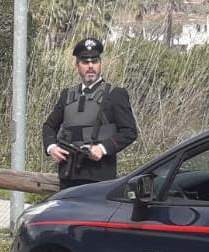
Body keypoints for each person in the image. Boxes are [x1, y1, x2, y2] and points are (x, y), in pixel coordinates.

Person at [41, 37, 138, 189]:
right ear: (77, 65)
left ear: (101, 64)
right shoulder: (67, 95)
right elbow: (49, 126)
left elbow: (129, 132)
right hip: (69, 176)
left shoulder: (114, 94)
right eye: (85, 62)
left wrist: (102, 148)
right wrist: (51, 147)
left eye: (95, 61)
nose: (90, 66)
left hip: (100, 178)